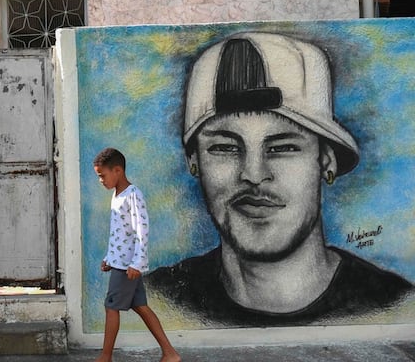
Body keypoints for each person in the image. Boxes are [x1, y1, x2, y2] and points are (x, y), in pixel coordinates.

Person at [147, 32, 413, 325]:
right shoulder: (158, 300)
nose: (253, 174)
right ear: (194, 161)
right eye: (224, 147)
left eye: (283, 147)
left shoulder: (394, 307)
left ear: (327, 161)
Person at [93, 147, 181, 362]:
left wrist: (137, 263)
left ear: (117, 170)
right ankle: (170, 353)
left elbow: (141, 232)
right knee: (141, 307)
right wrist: (108, 258)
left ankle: (105, 357)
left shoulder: (133, 195)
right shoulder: (117, 196)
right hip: (120, 263)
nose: (101, 180)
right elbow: (119, 233)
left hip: (127, 267)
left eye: (102, 175)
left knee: (111, 307)